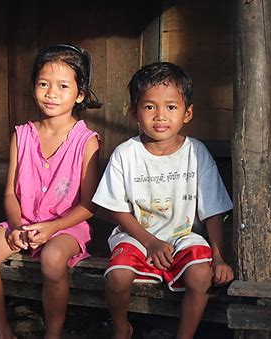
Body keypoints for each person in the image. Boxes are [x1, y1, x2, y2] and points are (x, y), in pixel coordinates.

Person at [92, 62, 234, 339]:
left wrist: (219, 258)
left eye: (171, 107)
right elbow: (115, 209)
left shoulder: (196, 152)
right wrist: (150, 242)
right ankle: (122, 327)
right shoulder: (126, 154)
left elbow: (213, 211)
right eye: (149, 107)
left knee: (201, 277)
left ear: (187, 113)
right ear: (134, 112)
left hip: (183, 235)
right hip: (137, 235)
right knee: (117, 277)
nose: (160, 116)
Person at [0, 44, 101, 339]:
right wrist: (17, 226)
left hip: (66, 227)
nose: (51, 93)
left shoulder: (86, 142)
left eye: (63, 86)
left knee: (53, 259)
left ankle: (52, 334)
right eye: (44, 84)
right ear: (34, 87)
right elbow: (9, 194)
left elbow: (89, 206)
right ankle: (4, 332)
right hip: (23, 222)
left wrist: (52, 226)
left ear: (80, 94)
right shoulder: (22, 134)